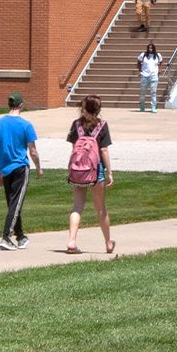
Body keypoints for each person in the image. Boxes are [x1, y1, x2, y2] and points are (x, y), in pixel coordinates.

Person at [0, 91, 43, 251]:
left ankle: (20, 236)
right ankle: (6, 237)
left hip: (5, 168)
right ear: (21, 105)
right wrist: (39, 168)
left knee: (13, 203)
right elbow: (32, 151)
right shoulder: (26, 125)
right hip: (20, 167)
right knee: (15, 203)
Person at [65, 95, 115, 254]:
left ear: (83, 108)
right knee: (101, 209)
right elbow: (104, 150)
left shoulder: (76, 125)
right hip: (96, 170)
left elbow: (74, 148)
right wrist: (110, 172)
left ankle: (72, 241)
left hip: (78, 170)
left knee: (77, 207)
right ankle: (108, 242)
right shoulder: (102, 125)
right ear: (98, 110)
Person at [136, 42, 163, 113]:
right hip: (144, 76)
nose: (150, 49)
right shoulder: (143, 55)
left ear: (154, 48)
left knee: (153, 92)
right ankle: (142, 105)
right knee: (143, 92)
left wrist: (159, 70)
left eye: (151, 48)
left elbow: (161, 62)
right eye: (149, 48)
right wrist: (140, 69)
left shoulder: (157, 55)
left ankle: (153, 107)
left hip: (153, 76)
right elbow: (138, 61)